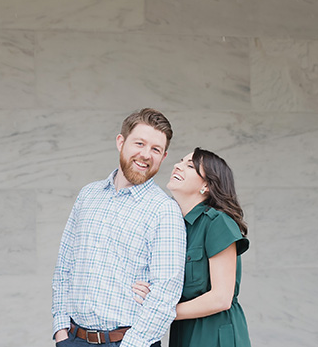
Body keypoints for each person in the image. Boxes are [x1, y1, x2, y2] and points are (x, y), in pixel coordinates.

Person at [52, 108, 186, 347]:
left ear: (164, 157)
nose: (146, 155)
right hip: (73, 339)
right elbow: (65, 266)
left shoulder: (164, 210)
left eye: (155, 149)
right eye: (139, 143)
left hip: (129, 342)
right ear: (121, 142)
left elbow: (165, 293)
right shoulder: (88, 195)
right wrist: (61, 330)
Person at [133, 147, 251, 347]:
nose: (177, 166)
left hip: (215, 334)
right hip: (184, 331)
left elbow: (221, 298)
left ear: (206, 185)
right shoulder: (174, 226)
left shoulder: (217, 223)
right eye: (180, 161)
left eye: (190, 166)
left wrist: (161, 311)